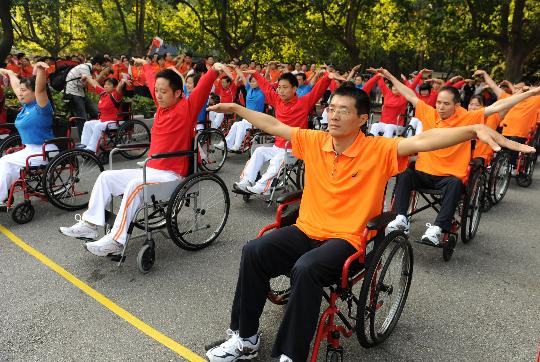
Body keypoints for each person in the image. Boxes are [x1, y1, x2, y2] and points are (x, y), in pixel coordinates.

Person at [204, 84, 534, 362]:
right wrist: (237, 106)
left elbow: (424, 142)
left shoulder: (379, 149)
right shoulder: (316, 141)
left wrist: (474, 129)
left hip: (347, 241)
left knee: (306, 268)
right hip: (307, 229)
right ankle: (245, 340)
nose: (333, 115)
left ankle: (290, 354)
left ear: (363, 118)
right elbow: (275, 126)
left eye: (343, 110)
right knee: (254, 250)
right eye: (331, 108)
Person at [58, 57, 225, 256]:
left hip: (171, 175)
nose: (158, 95)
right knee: (105, 177)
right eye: (157, 91)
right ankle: (91, 224)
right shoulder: (162, 107)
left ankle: (116, 241)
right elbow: (151, 80)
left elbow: (202, 88)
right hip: (151, 168)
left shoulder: (186, 108)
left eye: (164, 92)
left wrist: (214, 70)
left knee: (135, 186)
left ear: (178, 93)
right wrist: (144, 64)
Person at [384, 68, 540, 245]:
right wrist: (390, 77)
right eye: (439, 103)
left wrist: (532, 93)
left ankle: (437, 228)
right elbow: (410, 94)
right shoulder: (429, 113)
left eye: (446, 104)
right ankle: (401, 218)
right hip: (424, 173)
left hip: (449, 177)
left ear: (456, 105)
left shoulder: (467, 117)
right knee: (405, 174)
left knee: (456, 184)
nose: (441, 107)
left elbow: (498, 106)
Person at [233, 70, 336, 195]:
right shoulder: (277, 100)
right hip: (278, 146)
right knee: (259, 151)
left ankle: (262, 186)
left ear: (294, 88)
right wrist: (255, 73)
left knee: (278, 159)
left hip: (294, 149)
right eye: (279, 87)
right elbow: (266, 87)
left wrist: (328, 78)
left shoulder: (304, 102)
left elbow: (317, 91)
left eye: (285, 87)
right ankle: (246, 181)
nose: (281, 91)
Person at [0, 62, 57, 208]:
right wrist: (10, 73)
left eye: (24, 90)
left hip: (44, 150)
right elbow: (16, 86)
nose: (20, 93)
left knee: (5, 162)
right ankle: (3, 194)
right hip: (30, 149)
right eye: (20, 90)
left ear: (33, 93)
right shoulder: (26, 106)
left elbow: (40, 89)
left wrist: (40, 71)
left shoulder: (41, 108)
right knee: (6, 162)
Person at [215, 65, 265, 151]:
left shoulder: (262, 91)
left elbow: (265, 79)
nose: (252, 83)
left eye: (254, 81)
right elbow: (241, 76)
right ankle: (226, 144)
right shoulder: (249, 89)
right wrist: (235, 68)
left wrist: (265, 70)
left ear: (259, 82)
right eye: (251, 81)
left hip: (256, 120)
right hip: (247, 118)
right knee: (236, 124)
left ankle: (237, 146)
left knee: (241, 125)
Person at [77, 76, 129, 152]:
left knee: (98, 126)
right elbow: (95, 84)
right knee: (87, 123)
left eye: (108, 84)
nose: (105, 86)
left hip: (114, 122)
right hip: (103, 120)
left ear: (114, 87)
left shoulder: (116, 95)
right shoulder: (103, 93)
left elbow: (119, 87)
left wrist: (123, 81)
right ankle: (85, 144)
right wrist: (87, 77)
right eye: (105, 84)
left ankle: (91, 148)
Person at [64, 54, 107, 136]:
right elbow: (92, 83)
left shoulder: (90, 69)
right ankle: (83, 142)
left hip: (81, 93)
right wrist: (104, 92)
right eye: (102, 66)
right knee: (82, 118)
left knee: (96, 112)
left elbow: (94, 81)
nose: (102, 68)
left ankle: (94, 135)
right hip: (73, 94)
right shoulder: (84, 68)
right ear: (97, 64)